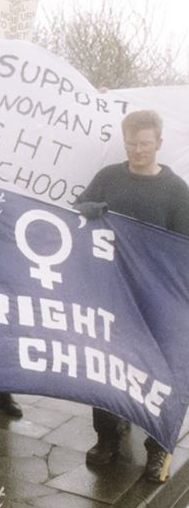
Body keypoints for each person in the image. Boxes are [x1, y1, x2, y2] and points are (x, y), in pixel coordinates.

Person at [76, 109, 189, 483]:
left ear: (158, 144)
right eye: (131, 144)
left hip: (157, 299)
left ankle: (158, 447)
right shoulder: (108, 177)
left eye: (144, 143)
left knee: (158, 371)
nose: (138, 150)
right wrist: (88, 210)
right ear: (124, 143)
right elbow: (79, 210)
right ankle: (108, 435)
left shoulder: (176, 191)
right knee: (105, 365)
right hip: (109, 291)